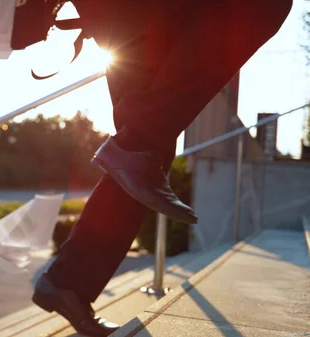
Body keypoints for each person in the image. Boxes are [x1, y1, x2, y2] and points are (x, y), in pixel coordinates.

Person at [30, 0, 293, 336]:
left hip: (116, 17)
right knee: (145, 140)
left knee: (145, 147)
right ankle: (70, 282)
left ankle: (69, 284)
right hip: (125, 13)